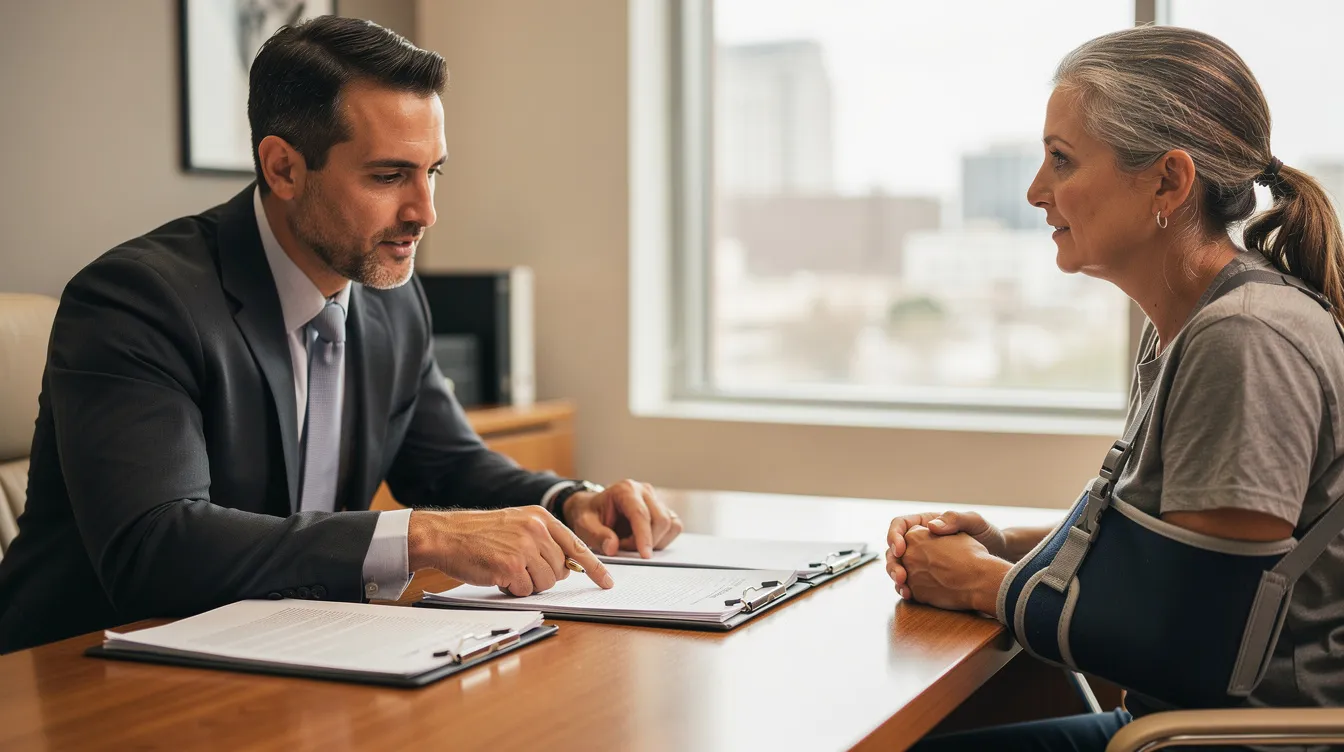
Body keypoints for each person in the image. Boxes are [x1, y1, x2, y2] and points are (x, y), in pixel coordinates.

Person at [0, 16, 682, 654]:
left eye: (432, 172)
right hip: (86, 674)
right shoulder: (138, 300)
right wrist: (426, 535)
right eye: (389, 176)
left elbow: (447, 464)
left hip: (287, 651)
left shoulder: (390, 299)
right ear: (284, 169)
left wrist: (571, 500)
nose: (425, 213)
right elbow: (155, 549)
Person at [886, 25, 1344, 750]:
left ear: (1168, 180)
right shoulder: (1192, 323)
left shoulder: (1245, 339)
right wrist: (1004, 545)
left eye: (1061, 161)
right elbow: (1163, 551)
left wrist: (981, 583)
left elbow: (1193, 643)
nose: (1037, 192)